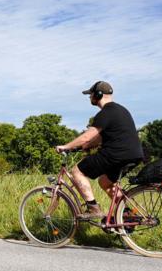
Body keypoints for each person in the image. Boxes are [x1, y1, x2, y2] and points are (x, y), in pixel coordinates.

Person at [55, 81, 145, 219]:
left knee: (77, 172)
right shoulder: (121, 110)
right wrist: (82, 147)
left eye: (91, 94)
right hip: (135, 154)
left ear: (98, 94)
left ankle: (93, 209)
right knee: (105, 182)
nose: (89, 97)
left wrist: (66, 146)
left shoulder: (105, 113)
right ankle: (126, 214)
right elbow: (97, 139)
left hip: (116, 154)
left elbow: (87, 136)